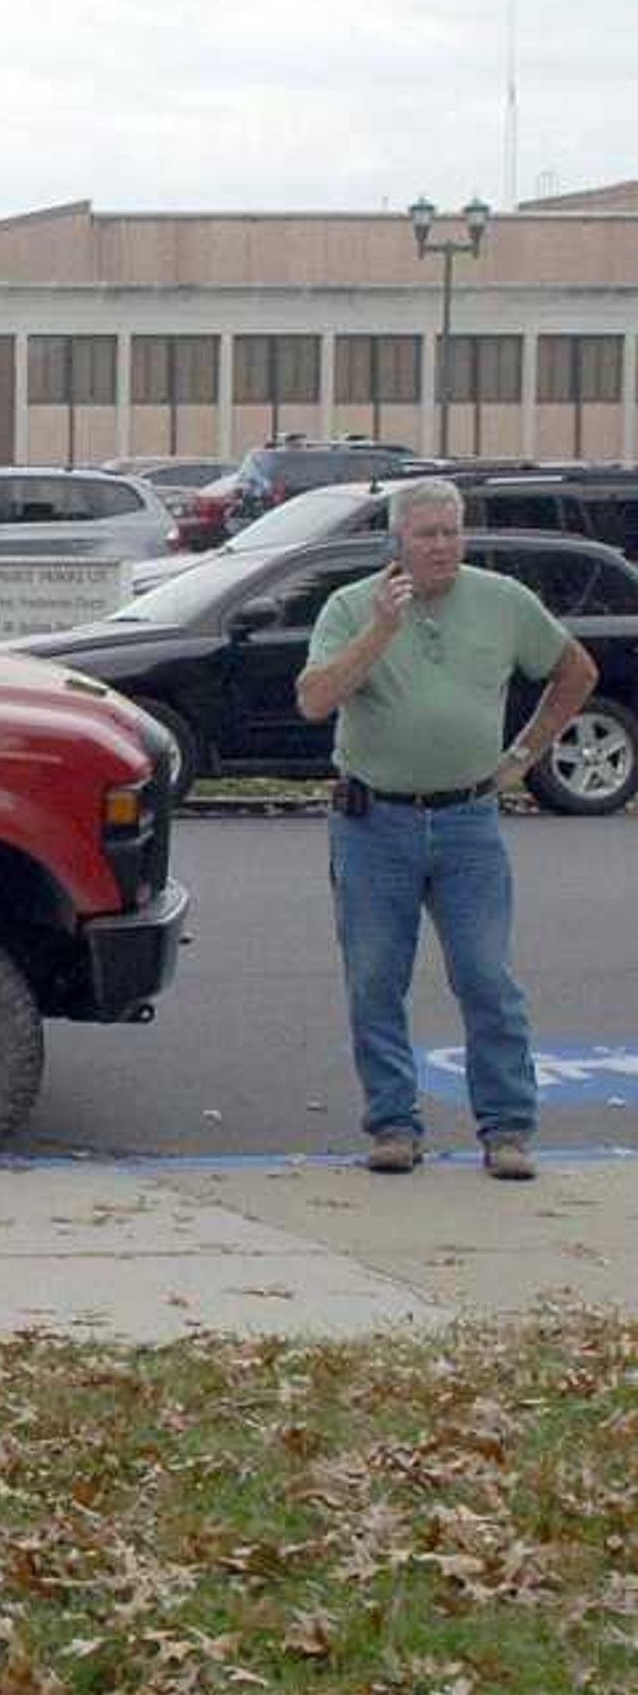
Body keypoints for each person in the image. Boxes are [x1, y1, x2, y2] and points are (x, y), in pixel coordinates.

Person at [293, 478, 596, 1177]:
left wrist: (523, 756)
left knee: (487, 977)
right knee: (374, 979)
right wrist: (380, 630)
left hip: (467, 820)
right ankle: (394, 1125)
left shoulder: (502, 601)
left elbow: (574, 670)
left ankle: (508, 1130)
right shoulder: (352, 607)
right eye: (425, 534)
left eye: (450, 533)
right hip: (374, 821)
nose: (440, 547)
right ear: (396, 541)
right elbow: (314, 699)